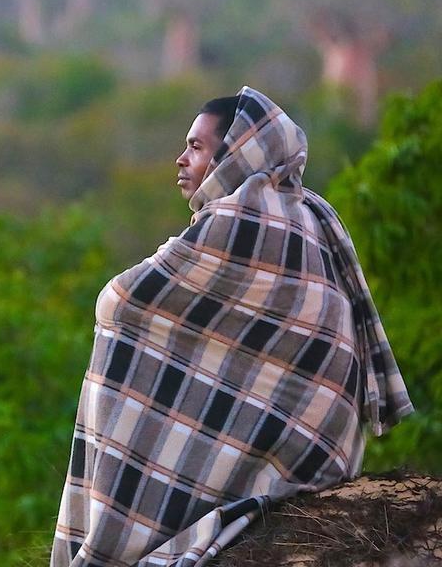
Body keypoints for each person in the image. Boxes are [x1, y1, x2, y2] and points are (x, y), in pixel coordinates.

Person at [49, 85, 414, 567]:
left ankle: (122, 534)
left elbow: (121, 300)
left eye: (197, 147)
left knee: (122, 332)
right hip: (322, 443)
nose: (181, 160)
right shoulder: (307, 213)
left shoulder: (241, 217)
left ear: (233, 155)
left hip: (291, 444)